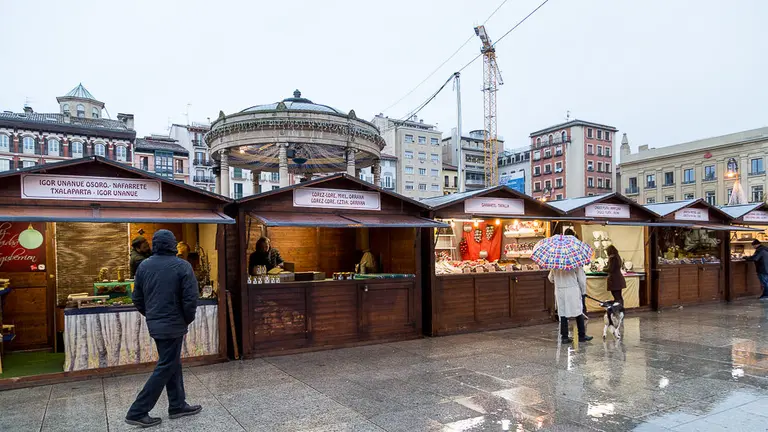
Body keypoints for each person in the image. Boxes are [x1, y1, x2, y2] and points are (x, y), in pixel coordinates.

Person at [126, 230, 202, 428]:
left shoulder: (144, 266)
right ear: (172, 245)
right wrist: (186, 319)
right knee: (167, 365)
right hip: (174, 323)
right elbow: (190, 298)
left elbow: (137, 298)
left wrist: (151, 314)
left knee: (172, 363)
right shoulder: (182, 266)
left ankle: (177, 405)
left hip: (156, 323)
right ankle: (138, 411)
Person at [549, 265, 593, 343]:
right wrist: (583, 292)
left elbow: (550, 278)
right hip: (573, 290)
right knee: (578, 312)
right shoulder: (575, 264)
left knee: (563, 313)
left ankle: (564, 337)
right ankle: (581, 336)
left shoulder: (555, 265)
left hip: (560, 291)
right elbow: (582, 280)